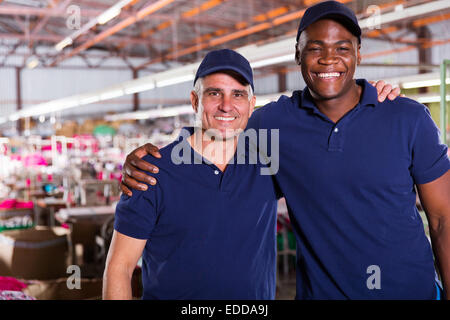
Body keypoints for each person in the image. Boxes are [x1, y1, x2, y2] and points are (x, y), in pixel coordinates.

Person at [119, 1, 450, 300]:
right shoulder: (273, 122)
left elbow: (443, 220)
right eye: (315, 48)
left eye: (342, 47)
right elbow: (217, 130)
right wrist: (141, 159)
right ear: (297, 55)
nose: (329, 59)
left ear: (359, 54)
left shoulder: (406, 116)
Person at [103, 49, 280, 300]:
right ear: (195, 100)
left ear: (251, 105)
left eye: (238, 94)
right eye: (214, 93)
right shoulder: (152, 173)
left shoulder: (269, 164)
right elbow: (119, 268)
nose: (226, 106)